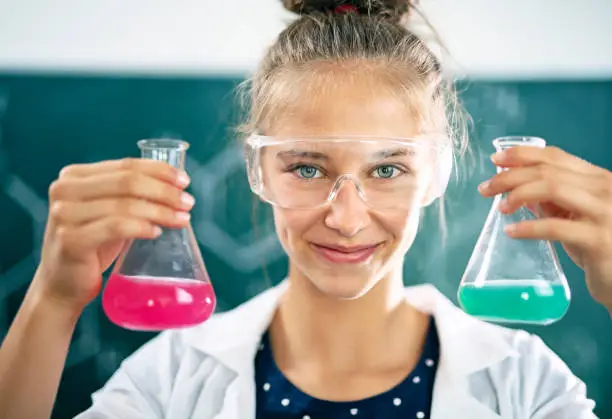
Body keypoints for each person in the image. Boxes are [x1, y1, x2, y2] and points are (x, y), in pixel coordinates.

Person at [1, 0, 611, 418]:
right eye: (307, 168)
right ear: (257, 168)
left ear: (438, 171)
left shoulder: (525, 384)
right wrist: (53, 300)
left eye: (388, 169)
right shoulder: (171, 379)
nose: (346, 218)